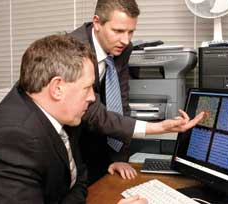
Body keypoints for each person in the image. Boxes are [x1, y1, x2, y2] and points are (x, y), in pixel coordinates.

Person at [0, 34, 147, 204]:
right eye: (87, 88)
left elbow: (77, 182)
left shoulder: (63, 114)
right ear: (57, 88)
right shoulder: (12, 138)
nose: (93, 98)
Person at [70, 0, 205, 184]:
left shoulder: (123, 50)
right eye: (118, 31)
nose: (125, 40)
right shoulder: (73, 49)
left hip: (99, 140)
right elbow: (94, 114)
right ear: (96, 23)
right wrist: (160, 127)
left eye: (130, 31)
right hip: (70, 145)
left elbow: (120, 100)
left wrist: (119, 158)